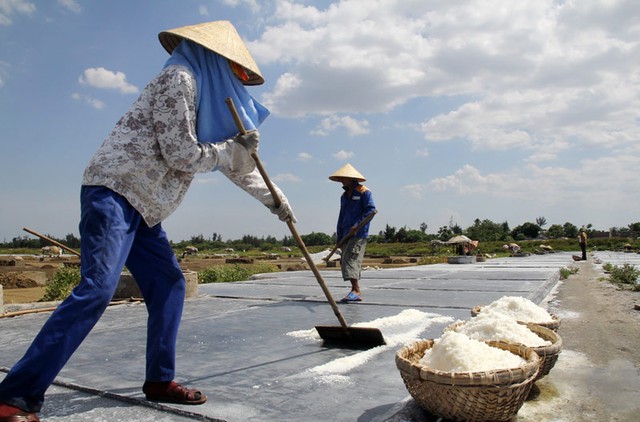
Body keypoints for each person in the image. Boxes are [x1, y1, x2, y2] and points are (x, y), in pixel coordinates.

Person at [0, 20, 295, 422]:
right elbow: (183, 155)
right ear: (216, 59)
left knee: (169, 283)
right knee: (97, 290)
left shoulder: (207, 98)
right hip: (114, 192)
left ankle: (159, 380)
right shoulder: (180, 79)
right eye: (234, 69)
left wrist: (276, 199)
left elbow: (237, 165)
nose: (236, 79)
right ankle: (14, 395)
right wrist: (230, 149)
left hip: (145, 209)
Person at [329, 163, 376, 303]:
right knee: (346, 260)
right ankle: (354, 289)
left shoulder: (364, 192)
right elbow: (341, 216)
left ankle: (356, 290)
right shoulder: (344, 196)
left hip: (358, 234)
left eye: (344, 178)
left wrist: (356, 226)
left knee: (351, 259)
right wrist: (339, 236)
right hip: (345, 233)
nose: (342, 182)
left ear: (351, 178)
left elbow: (370, 211)